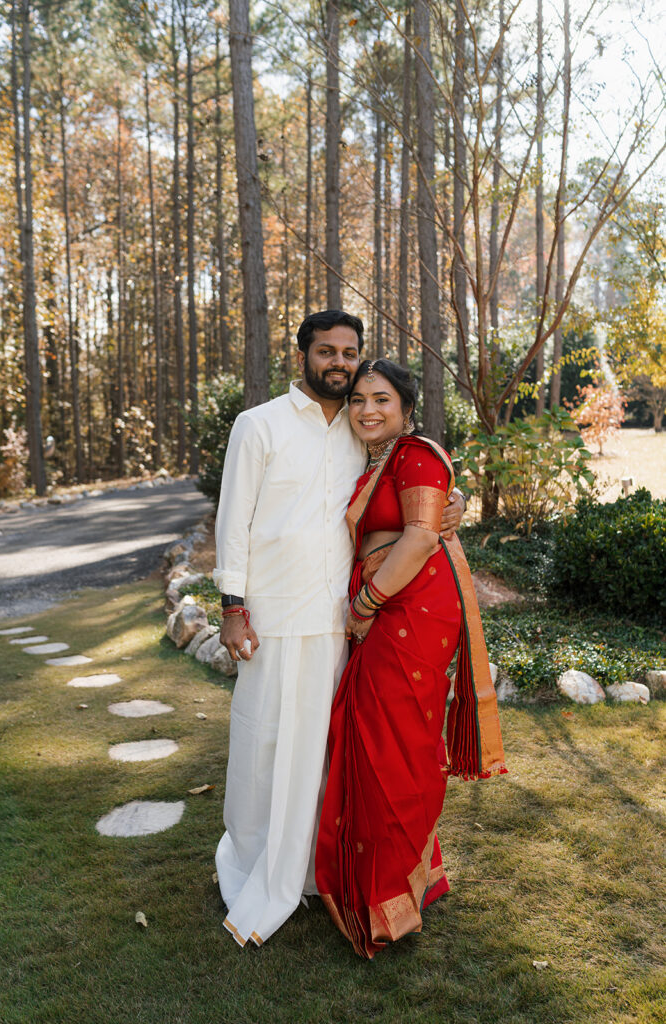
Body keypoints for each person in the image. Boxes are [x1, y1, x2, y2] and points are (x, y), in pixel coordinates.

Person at [212, 312, 466, 948]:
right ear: (302, 354)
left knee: (327, 756)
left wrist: (454, 508)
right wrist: (232, 605)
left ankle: (309, 872)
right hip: (271, 618)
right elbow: (232, 521)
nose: (338, 362)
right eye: (326, 351)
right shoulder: (260, 424)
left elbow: (412, 493)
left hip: (342, 624)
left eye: (348, 353)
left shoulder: (361, 432)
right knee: (262, 747)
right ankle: (250, 866)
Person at [315, 358, 507, 960]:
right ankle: (418, 875)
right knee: (390, 743)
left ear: (405, 408)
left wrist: (367, 603)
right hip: (397, 610)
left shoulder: (415, 454)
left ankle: (387, 901)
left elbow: (421, 538)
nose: (368, 409)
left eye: (382, 400)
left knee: (392, 747)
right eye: (359, 400)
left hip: (407, 615)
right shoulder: (378, 460)